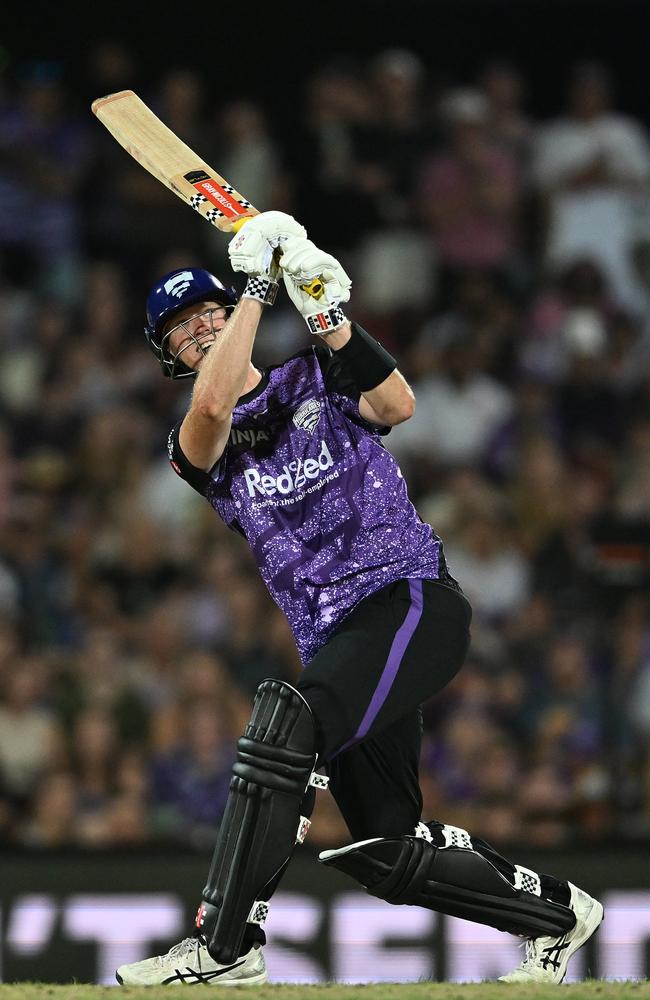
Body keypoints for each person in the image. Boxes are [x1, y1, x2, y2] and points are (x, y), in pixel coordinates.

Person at [116, 212, 603, 986]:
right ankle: (558, 917)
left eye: (210, 310)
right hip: (336, 638)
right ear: (169, 358)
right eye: (183, 327)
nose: (203, 327)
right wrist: (251, 288)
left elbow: (397, 405)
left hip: (408, 600)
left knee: (289, 719)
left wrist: (327, 315)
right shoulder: (193, 447)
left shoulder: (312, 375)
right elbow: (212, 411)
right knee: (384, 847)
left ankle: (224, 949)